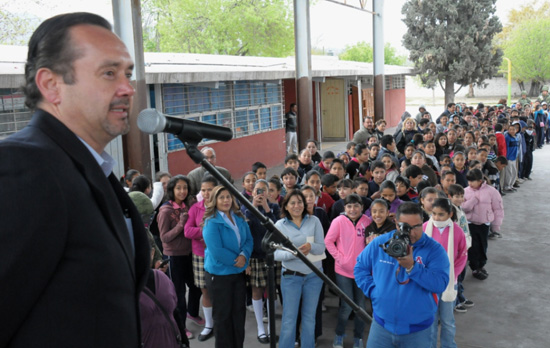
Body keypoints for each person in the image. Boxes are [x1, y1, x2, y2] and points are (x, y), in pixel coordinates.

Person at [0, 13, 151, 347]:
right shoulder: (23, 166)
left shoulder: (89, 166)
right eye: (109, 73)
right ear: (51, 85)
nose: (128, 88)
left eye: (128, 73)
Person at [354, 203, 450, 348]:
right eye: (404, 226)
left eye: (415, 227)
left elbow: (440, 284)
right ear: (396, 224)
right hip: (381, 327)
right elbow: (360, 268)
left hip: (418, 331)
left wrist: (412, 267)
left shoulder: (435, 250)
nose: (410, 232)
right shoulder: (381, 243)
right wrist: (374, 292)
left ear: (423, 223)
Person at [202, 185, 253, 348]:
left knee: (238, 315)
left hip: (237, 273)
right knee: (223, 319)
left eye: (228, 197)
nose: (226, 200)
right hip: (219, 276)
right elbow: (216, 250)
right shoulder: (211, 221)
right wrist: (237, 261)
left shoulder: (239, 217)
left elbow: (248, 240)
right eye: (221, 197)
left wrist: (244, 255)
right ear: (214, 200)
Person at [275, 190, 325, 348]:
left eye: (300, 202)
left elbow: (321, 248)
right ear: (286, 207)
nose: (297, 206)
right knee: (289, 319)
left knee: (309, 318)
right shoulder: (279, 225)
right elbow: (275, 253)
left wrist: (311, 246)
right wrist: (293, 253)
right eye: (293, 203)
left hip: (314, 276)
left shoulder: (314, 221)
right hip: (291, 277)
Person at [157, 175, 202, 339]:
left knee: (197, 286)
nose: (182, 191)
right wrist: (181, 224)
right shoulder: (165, 211)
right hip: (174, 257)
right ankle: (180, 327)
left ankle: (192, 313)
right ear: (172, 190)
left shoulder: (189, 206)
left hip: (190, 254)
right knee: (179, 293)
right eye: (179, 188)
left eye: (185, 187)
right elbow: (164, 238)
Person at [325, 194, 371, 348]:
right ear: (345, 208)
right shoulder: (338, 221)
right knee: (346, 306)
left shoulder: (367, 222)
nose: (353, 209)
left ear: (362, 207)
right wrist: (340, 258)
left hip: (362, 272)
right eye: (349, 206)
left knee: (361, 307)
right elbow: (329, 241)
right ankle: (339, 334)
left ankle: (358, 337)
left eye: (356, 205)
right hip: (343, 271)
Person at [423, 198, 468, 348]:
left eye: (441, 215)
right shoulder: (425, 228)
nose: (436, 218)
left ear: (450, 214)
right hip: (429, 281)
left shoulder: (457, 231)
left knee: (448, 321)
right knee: (430, 319)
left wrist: (453, 275)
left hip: (449, 281)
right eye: (434, 214)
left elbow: (462, 255)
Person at [242, 179, 281, 344]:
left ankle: (271, 327)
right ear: (252, 192)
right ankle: (260, 328)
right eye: (257, 190)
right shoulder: (246, 209)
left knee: (271, 291)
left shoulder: (275, 208)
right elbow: (245, 231)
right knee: (256, 291)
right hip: (255, 256)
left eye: (264, 190)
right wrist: (253, 206)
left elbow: (276, 229)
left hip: (271, 255)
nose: (261, 193)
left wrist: (266, 208)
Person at [184, 175, 219, 341]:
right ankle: (209, 325)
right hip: (200, 255)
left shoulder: (222, 206)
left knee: (221, 289)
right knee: (205, 290)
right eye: (203, 190)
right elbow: (187, 231)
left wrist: (209, 233)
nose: (206, 193)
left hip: (219, 254)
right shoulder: (195, 208)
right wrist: (204, 232)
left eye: (209, 189)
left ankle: (221, 323)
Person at [462, 169, 504, 280]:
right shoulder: (465, 191)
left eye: (472, 181)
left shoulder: (492, 191)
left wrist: (496, 225)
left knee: (482, 245)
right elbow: (461, 208)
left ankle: (481, 265)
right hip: (470, 224)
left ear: (480, 180)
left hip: (484, 224)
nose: (470, 184)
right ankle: (475, 267)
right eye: (469, 181)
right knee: (472, 247)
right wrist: (471, 202)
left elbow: (498, 208)